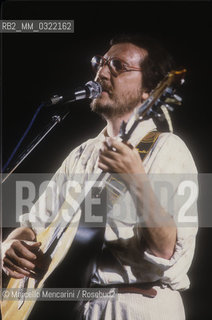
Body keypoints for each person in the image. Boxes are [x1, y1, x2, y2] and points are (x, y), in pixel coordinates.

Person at [1, 34, 198, 319]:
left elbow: (166, 250)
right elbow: (32, 225)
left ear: (149, 91)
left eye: (118, 66)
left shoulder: (167, 148)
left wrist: (136, 178)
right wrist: (9, 246)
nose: (102, 72)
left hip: (134, 306)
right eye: (101, 62)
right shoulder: (82, 154)